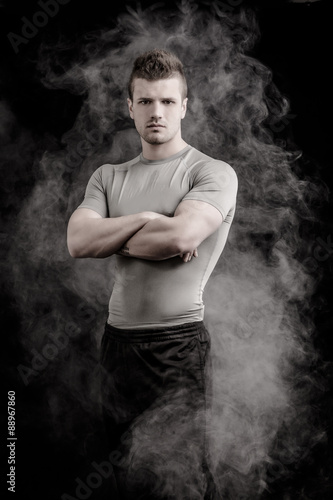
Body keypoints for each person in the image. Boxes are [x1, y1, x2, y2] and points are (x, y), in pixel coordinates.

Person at [67, 49, 238, 500]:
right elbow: (78, 242)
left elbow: (179, 238)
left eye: (166, 101)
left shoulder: (211, 172)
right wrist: (147, 217)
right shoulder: (107, 177)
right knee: (122, 477)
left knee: (182, 481)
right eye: (145, 102)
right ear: (130, 107)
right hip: (117, 346)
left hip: (177, 347)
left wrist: (114, 234)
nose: (155, 112)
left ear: (184, 106)